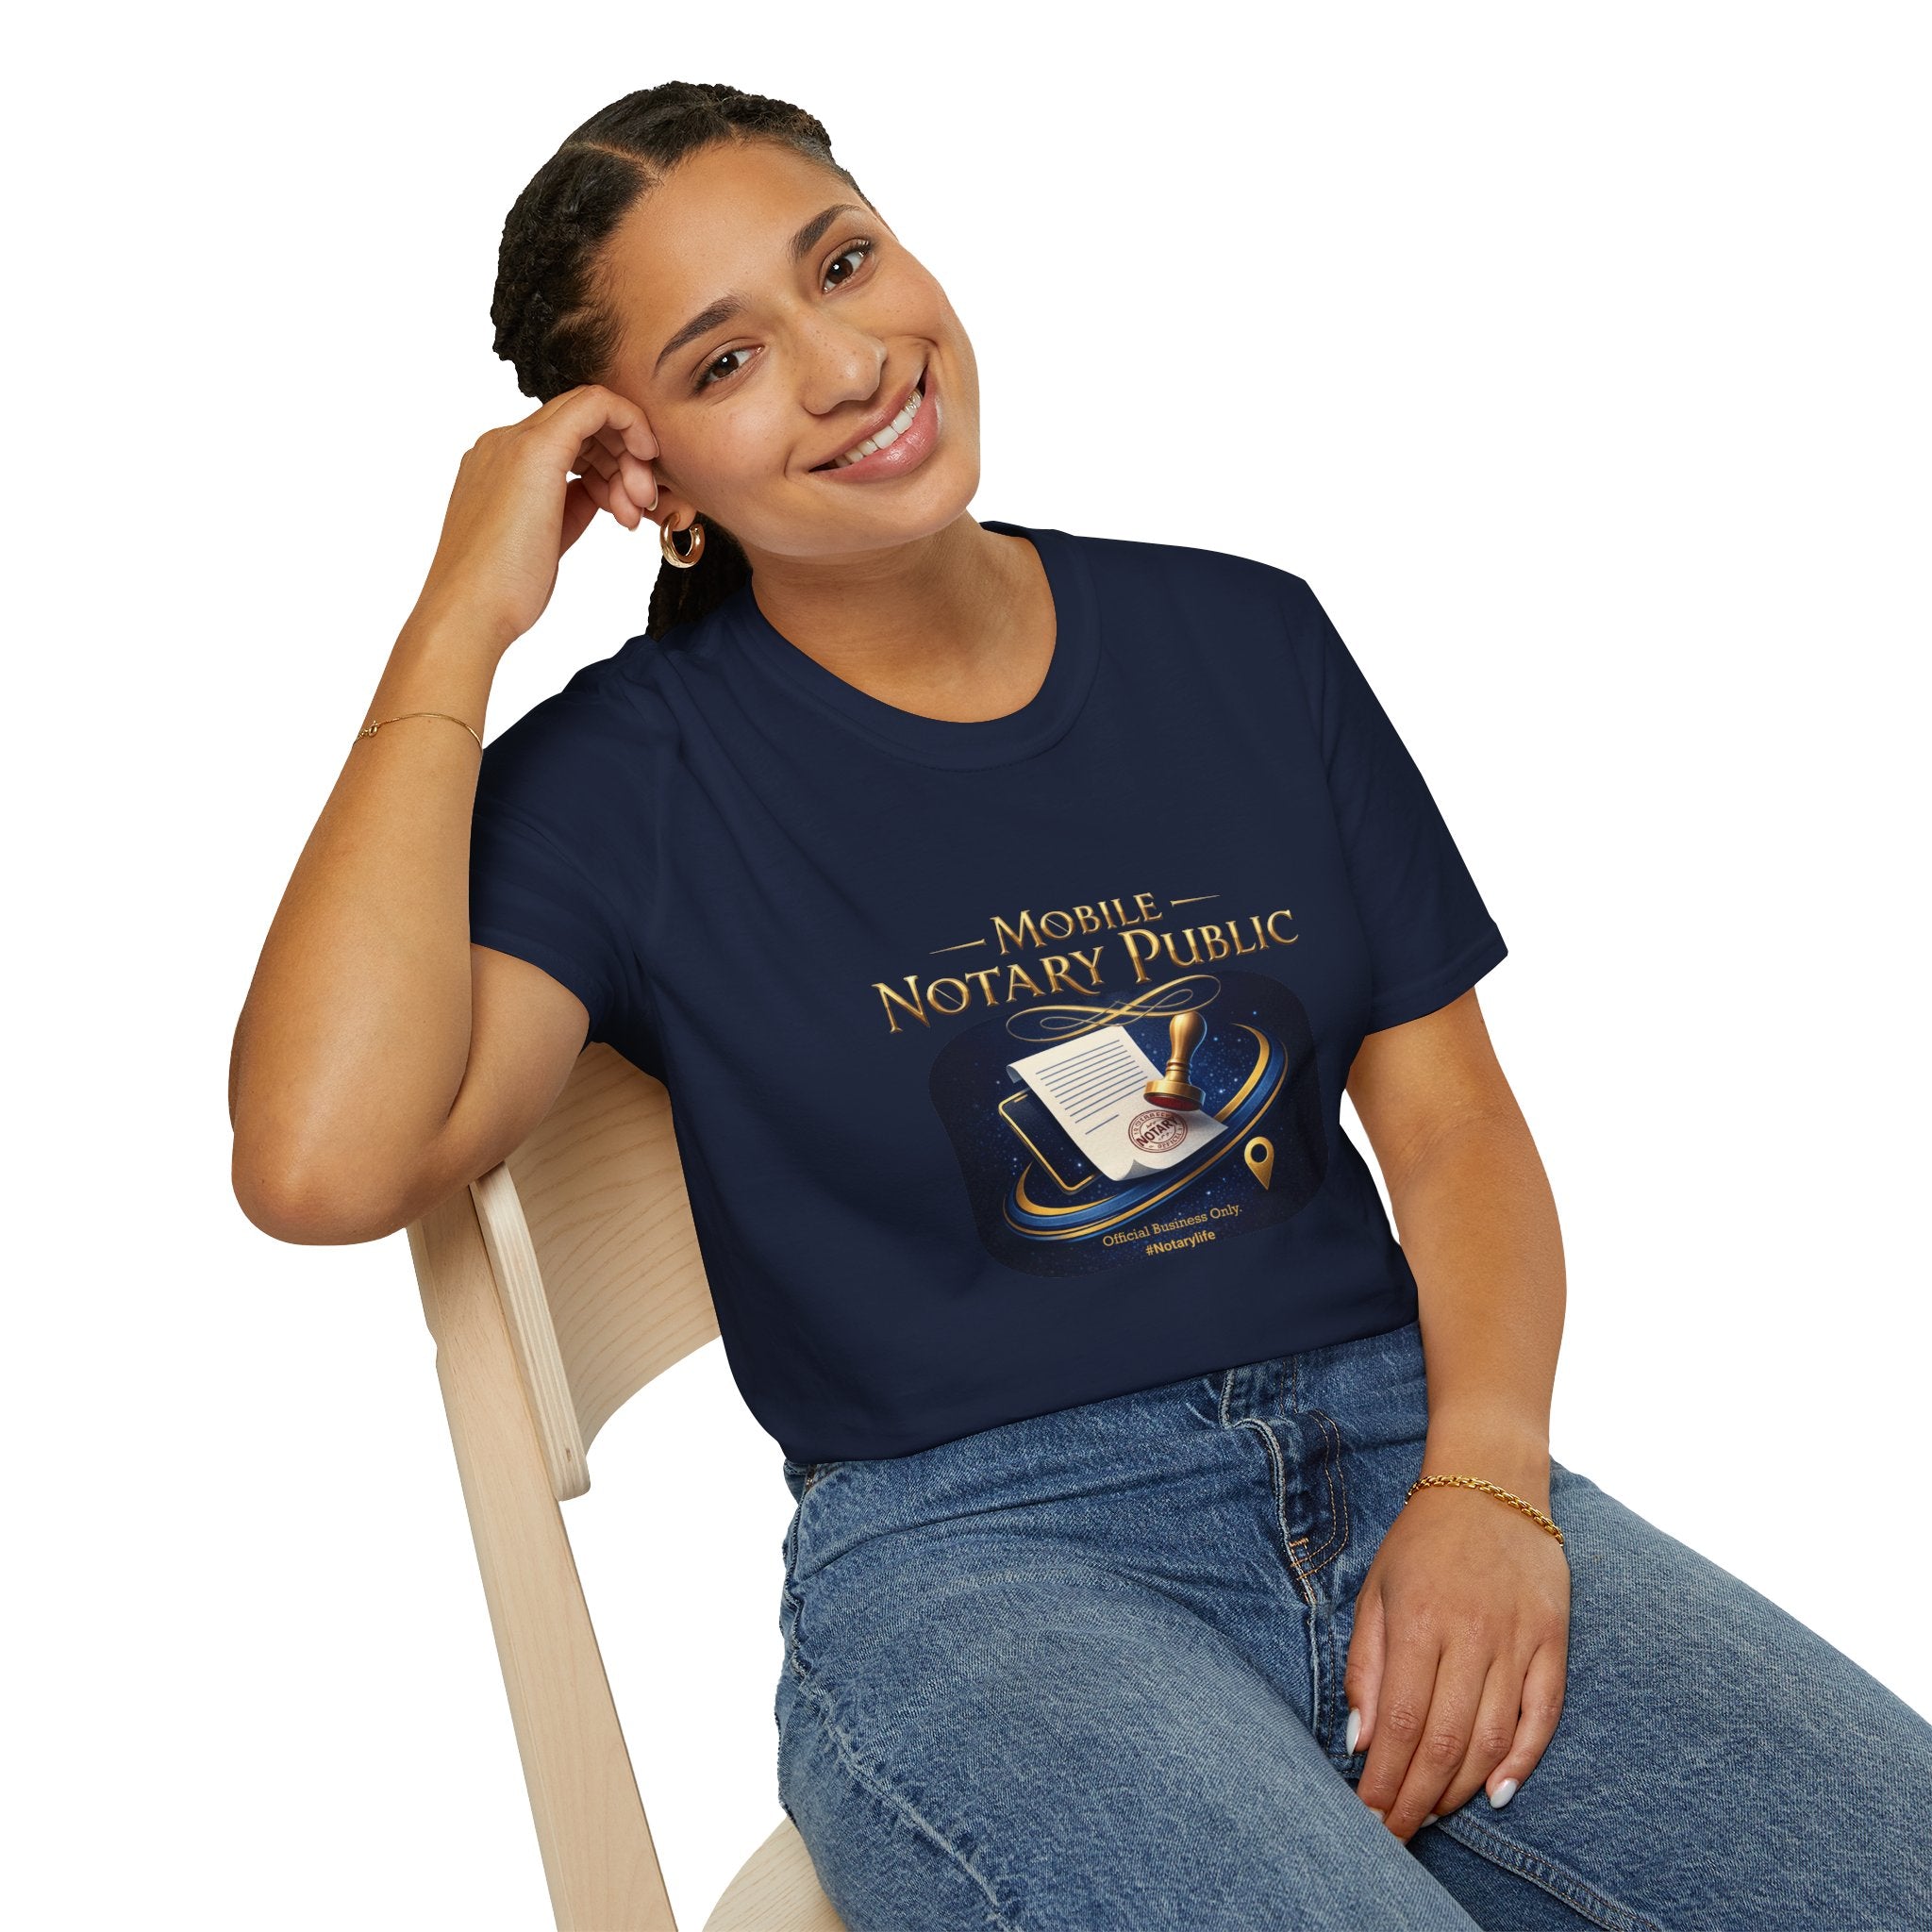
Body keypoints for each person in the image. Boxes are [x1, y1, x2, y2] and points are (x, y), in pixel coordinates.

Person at [228, 80, 1932, 1931]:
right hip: (985, 1566)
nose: (846, 362)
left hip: (1402, 1452)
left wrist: (1489, 1487)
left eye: (845, 263)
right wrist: (456, 621)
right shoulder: (629, 777)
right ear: (649, 482)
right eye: (724, 362)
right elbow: (321, 1159)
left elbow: (1449, 1131)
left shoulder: (1243, 641)